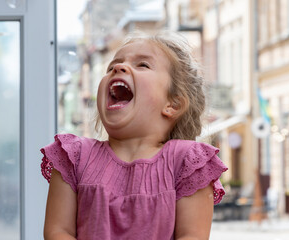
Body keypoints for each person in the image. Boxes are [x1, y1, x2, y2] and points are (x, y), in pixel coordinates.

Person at [40, 31, 228, 240]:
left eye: (143, 65)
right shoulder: (73, 156)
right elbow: (57, 232)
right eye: (111, 67)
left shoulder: (188, 163)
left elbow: (192, 236)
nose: (118, 68)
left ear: (173, 104)